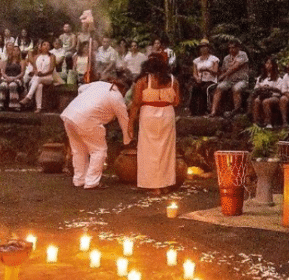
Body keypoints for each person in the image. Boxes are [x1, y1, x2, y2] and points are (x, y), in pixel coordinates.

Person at [60, 78, 132, 189]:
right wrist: (127, 140)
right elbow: (124, 120)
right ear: (123, 90)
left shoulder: (98, 84)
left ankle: (79, 180)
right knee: (99, 150)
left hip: (69, 115)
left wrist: (84, 101)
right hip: (87, 120)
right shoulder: (117, 97)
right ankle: (92, 182)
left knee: (78, 150)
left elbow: (80, 88)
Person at [129, 54, 180, 194]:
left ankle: (154, 186)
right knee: (166, 150)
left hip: (149, 114)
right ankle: (164, 184)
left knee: (148, 150)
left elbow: (135, 104)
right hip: (167, 114)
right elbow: (176, 102)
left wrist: (130, 124)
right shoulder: (173, 81)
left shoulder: (143, 81)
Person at [209, 41, 249, 117]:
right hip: (229, 80)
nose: (231, 49)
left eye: (233, 47)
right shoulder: (226, 58)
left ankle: (236, 110)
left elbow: (235, 67)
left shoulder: (242, 54)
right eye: (230, 48)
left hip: (241, 80)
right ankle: (213, 111)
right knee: (219, 87)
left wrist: (223, 75)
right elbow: (223, 70)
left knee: (236, 88)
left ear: (238, 48)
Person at [20, 41, 57, 113]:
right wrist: (36, 72)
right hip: (38, 77)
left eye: (48, 45)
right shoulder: (36, 56)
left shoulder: (52, 56)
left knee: (38, 79)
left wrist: (43, 74)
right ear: (41, 47)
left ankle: (28, 97)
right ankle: (39, 107)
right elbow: (34, 68)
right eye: (44, 45)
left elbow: (51, 69)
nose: (46, 46)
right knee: (39, 86)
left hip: (48, 77)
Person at [190, 39, 219, 116]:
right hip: (201, 80)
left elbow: (216, 72)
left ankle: (206, 110)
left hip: (211, 80)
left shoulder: (214, 59)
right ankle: (193, 111)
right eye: (201, 47)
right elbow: (194, 73)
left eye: (205, 47)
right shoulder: (196, 60)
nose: (203, 48)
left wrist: (208, 70)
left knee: (205, 89)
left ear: (208, 48)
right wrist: (197, 78)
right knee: (195, 88)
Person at [251, 58, 283, 128]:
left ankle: (268, 123)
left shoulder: (278, 78)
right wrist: (261, 89)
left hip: (274, 96)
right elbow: (256, 88)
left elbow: (280, 90)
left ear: (273, 65)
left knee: (266, 102)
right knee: (256, 101)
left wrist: (270, 88)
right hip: (262, 95)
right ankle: (256, 122)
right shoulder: (261, 77)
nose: (268, 65)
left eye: (270, 63)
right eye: (267, 63)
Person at [0, 46, 26, 111]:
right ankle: (0, 104)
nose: (15, 52)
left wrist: (14, 78)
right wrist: (7, 77)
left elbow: (22, 73)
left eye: (17, 50)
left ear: (19, 52)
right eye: (13, 50)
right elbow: (2, 71)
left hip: (17, 78)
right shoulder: (6, 61)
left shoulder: (21, 61)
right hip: (7, 78)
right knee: (3, 85)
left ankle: (15, 105)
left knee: (12, 85)